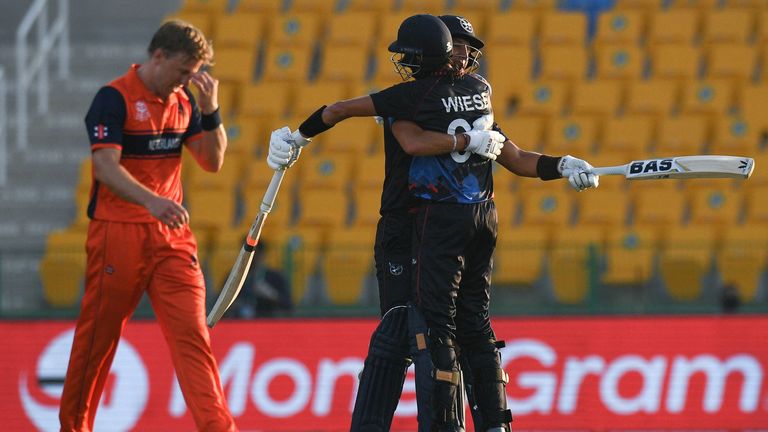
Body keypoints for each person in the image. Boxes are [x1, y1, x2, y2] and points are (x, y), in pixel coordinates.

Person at [267, 14, 596, 431]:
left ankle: (434, 424)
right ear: (443, 46)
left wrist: (562, 165)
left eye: (467, 46)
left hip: (422, 223)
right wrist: (556, 164)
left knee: (415, 327)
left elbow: (405, 135)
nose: (464, 52)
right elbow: (503, 153)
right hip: (455, 219)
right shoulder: (474, 93)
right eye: (457, 43)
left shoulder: (418, 97)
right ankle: (490, 422)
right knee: (460, 324)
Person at [59, 20, 237, 431]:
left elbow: (212, 161)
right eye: (182, 72)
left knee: (193, 337)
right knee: (97, 342)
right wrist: (152, 201)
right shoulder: (113, 98)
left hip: (171, 238)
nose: (186, 82)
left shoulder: (184, 102)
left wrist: (211, 112)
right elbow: (105, 168)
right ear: (159, 57)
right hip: (117, 232)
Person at [230, 241, 293, 318]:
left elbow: (288, 306)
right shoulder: (234, 276)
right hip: (239, 323)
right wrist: (234, 303)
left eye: (255, 254)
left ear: (262, 254)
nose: (251, 259)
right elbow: (217, 304)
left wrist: (272, 294)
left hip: (267, 322)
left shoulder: (275, 277)